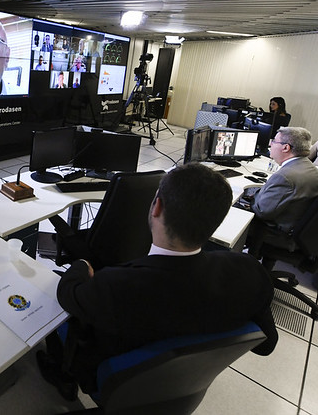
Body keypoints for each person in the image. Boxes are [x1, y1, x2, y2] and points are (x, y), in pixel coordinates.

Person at [37, 164, 278, 399]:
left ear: (157, 207)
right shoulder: (250, 272)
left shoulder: (117, 284)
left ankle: (62, 374)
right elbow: (266, 345)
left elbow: (67, 293)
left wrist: (81, 265)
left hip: (113, 380)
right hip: (184, 383)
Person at [243, 126, 318, 255]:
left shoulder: (285, 176)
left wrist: (253, 197)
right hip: (299, 231)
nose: (270, 144)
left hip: (277, 232)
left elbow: (262, 211)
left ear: (286, 147)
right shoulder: (309, 168)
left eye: (274, 141)